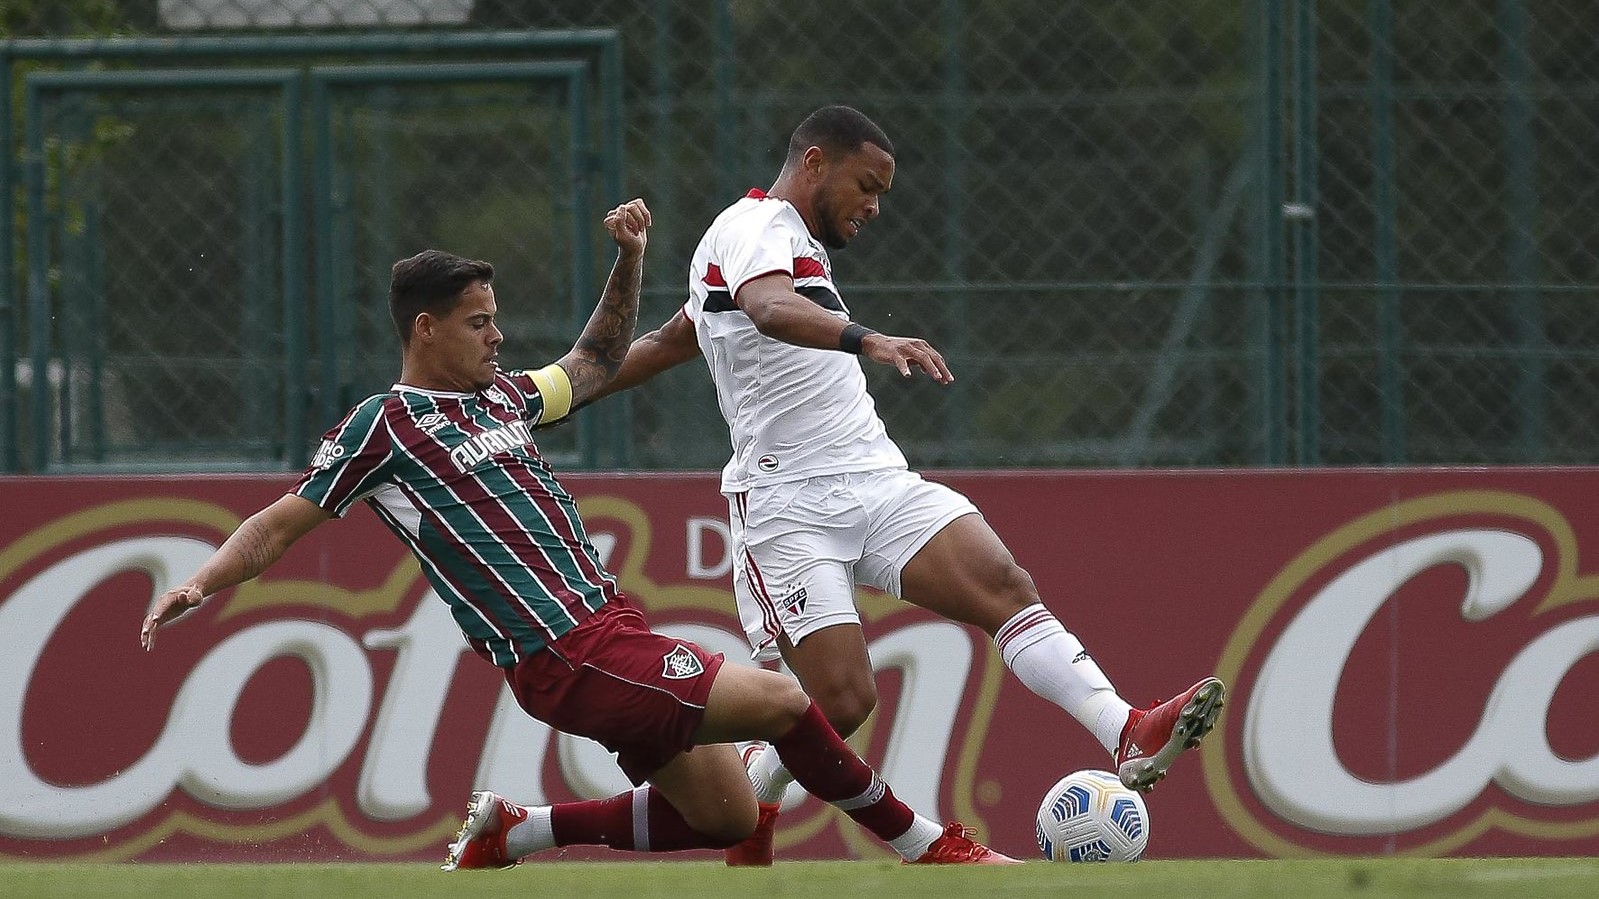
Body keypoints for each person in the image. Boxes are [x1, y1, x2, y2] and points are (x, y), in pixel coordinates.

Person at [138, 198, 1015, 868]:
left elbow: (593, 360)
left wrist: (627, 259)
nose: (499, 334)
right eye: (480, 321)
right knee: (786, 703)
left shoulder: (504, 397)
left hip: (609, 629)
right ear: (425, 327)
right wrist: (205, 579)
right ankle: (930, 847)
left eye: (496, 318)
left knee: (726, 815)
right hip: (563, 648)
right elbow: (280, 522)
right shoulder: (385, 424)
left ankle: (518, 832)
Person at [586, 107, 1227, 866]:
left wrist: (561, 391)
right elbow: (764, 306)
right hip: (787, 503)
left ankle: (1125, 729)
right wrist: (871, 337)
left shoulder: (776, 248)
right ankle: (754, 800)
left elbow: (672, 340)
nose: (874, 207)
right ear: (815, 162)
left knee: (1001, 581)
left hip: (875, 476)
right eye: (867, 185)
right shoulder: (755, 225)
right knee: (844, 700)